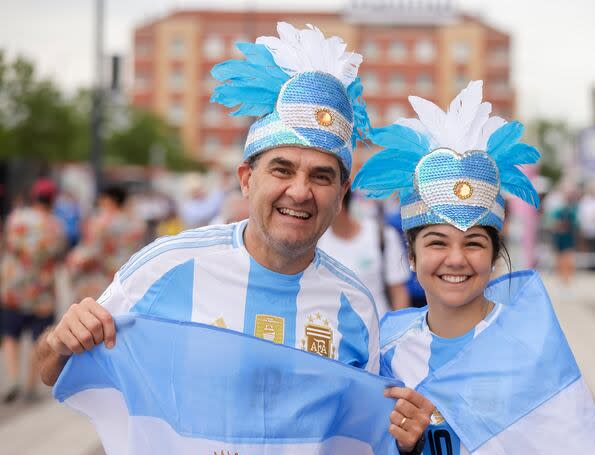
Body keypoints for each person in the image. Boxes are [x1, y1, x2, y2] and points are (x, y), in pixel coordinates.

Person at [37, 24, 394, 427]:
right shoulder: (165, 267)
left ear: (342, 191)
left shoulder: (357, 308)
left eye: (321, 176)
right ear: (246, 179)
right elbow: (51, 371)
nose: (300, 191)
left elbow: (365, 441)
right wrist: (60, 340)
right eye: (282, 169)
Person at [354, 81, 595, 455]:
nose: (456, 259)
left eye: (474, 243)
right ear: (411, 255)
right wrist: (403, 447)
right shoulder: (386, 347)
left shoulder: (528, 346)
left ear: (496, 254)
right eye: (437, 242)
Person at [1, 178, 66, 403]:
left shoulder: (16, 218)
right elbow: (58, 255)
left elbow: (9, 245)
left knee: (10, 334)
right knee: (37, 336)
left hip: (14, 286)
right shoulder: (55, 225)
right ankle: (29, 385)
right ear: (52, 199)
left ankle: (13, 379)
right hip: (42, 288)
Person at [318, 190, 410, 314]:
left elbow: (398, 292)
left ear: (339, 203)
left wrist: (399, 330)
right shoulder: (317, 243)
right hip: (334, 329)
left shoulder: (382, 235)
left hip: (380, 328)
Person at [67, 184, 146, 301]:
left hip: (99, 283)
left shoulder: (101, 223)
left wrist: (74, 261)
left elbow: (90, 253)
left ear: (109, 201)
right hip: (124, 282)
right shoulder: (136, 224)